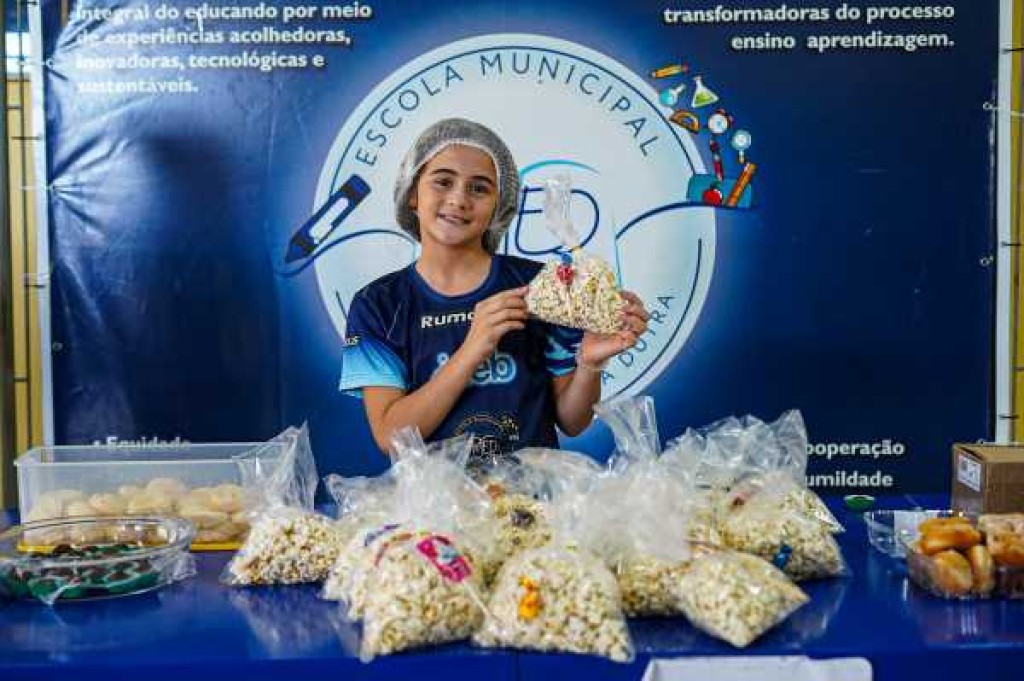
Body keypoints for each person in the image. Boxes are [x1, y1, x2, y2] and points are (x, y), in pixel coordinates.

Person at [339, 118, 649, 459]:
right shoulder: (379, 303)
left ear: (499, 206)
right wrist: (473, 349)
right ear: (412, 193)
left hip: (534, 490)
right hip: (435, 493)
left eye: (479, 188)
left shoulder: (541, 287)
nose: (458, 199)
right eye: (443, 181)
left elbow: (572, 422)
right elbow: (391, 438)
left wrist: (589, 364)